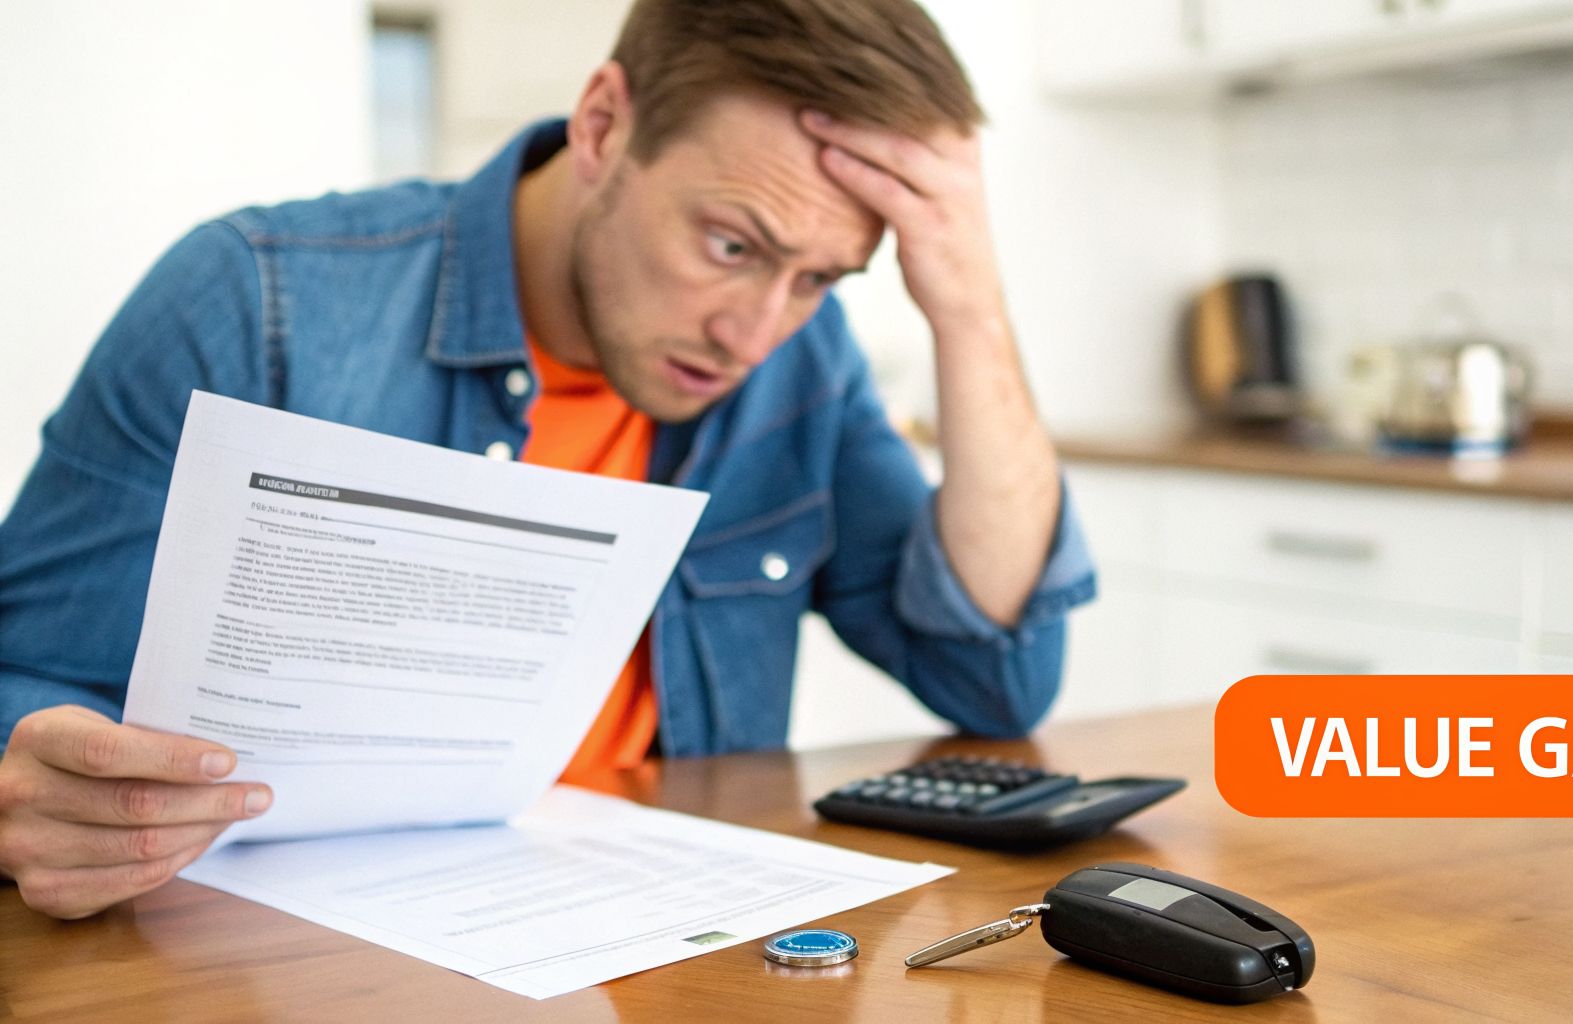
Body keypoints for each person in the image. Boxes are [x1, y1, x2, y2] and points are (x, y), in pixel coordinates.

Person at [0, 0, 1094, 918]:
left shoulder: (801, 360)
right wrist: (40, 786)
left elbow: (994, 673)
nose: (753, 330)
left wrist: (971, 311)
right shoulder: (256, 302)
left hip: (646, 947)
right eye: (730, 245)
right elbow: (25, 675)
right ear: (604, 122)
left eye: (818, 277)